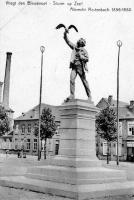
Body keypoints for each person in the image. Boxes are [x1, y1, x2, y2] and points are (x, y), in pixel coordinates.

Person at [63, 30, 91, 101]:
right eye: (79, 40)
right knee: (71, 79)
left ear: (83, 43)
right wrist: (65, 33)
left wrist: (82, 57)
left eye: (81, 41)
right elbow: (68, 41)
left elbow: (87, 59)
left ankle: (89, 96)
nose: (79, 41)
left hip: (80, 67)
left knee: (84, 81)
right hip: (74, 67)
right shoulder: (75, 47)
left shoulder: (84, 51)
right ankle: (72, 95)